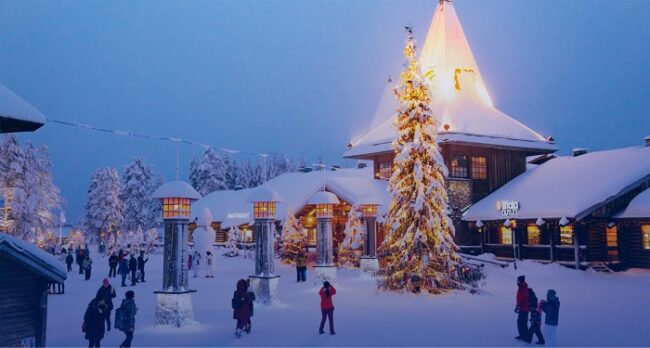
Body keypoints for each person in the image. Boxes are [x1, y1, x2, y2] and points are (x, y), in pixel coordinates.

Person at [515, 275, 529, 340]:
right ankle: (523, 335)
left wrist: (518, 306)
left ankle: (524, 335)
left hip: (524, 308)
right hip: (523, 308)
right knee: (521, 322)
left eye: (518, 280)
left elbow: (523, 299)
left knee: (521, 322)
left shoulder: (522, 288)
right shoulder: (521, 287)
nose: (516, 281)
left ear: (520, 281)